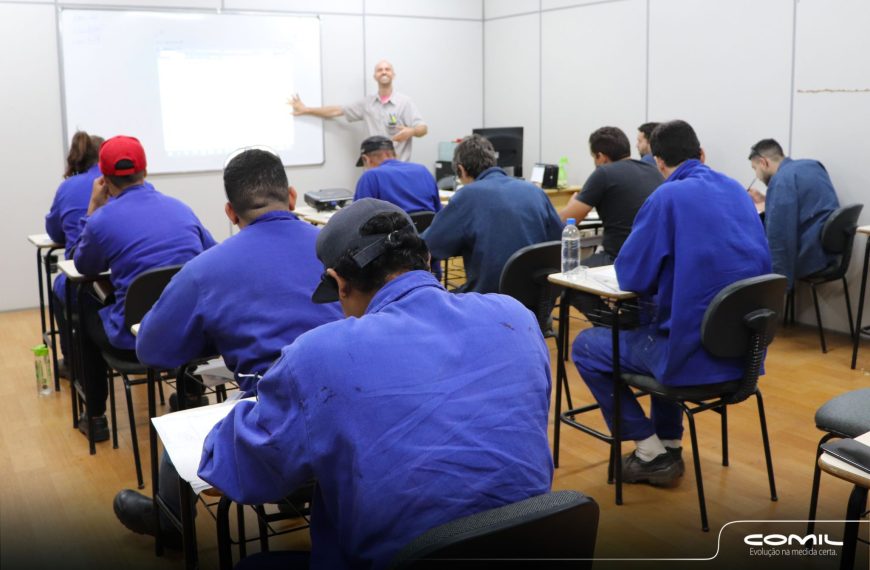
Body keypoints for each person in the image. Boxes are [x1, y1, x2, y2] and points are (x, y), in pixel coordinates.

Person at [198, 199, 554, 569]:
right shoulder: (517, 317)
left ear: (338, 283)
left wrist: (247, 405)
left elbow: (238, 472)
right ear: (428, 260)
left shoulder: (320, 353)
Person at [112, 148, 342, 546]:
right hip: (355, 421)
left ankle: (170, 520)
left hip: (276, 433)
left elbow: (151, 349)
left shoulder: (206, 269)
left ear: (230, 213)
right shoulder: (336, 248)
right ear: (291, 196)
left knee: (180, 433)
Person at [573, 120, 771, 487]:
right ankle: (669, 441)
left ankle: (649, 451)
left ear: (659, 164)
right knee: (661, 325)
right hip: (745, 356)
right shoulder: (738, 192)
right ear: (702, 154)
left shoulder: (666, 197)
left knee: (585, 346)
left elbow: (631, 277)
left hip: (688, 358)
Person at [72, 135, 216, 441]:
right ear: (146, 171)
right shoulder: (181, 209)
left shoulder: (102, 220)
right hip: (187, 334)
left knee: (82, 300)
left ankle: (95, 415)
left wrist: (94, 207)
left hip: (134, 340)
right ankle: (190, 395)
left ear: (104, 179)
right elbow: (211, 255)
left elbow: (84, 266)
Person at [422, 134, 563, 294]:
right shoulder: (535, 192)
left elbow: (426, 246)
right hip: (535, 303)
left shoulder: (467, 196)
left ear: (461, 169)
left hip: (487, 303)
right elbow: (561, 241)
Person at [559, 126, 663, 266]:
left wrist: (571, 205)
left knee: (566, 275)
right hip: (655, 260)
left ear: (600, 157)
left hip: (619, 260)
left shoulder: (604, 173)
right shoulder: (653, 170)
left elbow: (565, 222)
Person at [45, 130, 104, 371]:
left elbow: (55, 232)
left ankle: (72, 363)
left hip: (86, 280)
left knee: (61, 286)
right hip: (126, 280)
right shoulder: (125, 186)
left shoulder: (68, 188)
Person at [290, 60, 427, 162]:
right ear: (375, 76)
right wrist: (306, 109)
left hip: (398, 169)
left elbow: (423, 128)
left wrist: (412, 131)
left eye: (387, 69)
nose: (384, 72)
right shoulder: (367, 103)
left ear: (393, 75)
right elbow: (337, 110)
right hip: (374, 169)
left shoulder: (405, 102)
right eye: (380, 70)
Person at [748, 138, 840, 287]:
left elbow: (779, 237)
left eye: (755, 168)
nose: (757, 176)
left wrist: (780, 286)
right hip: (830, 252)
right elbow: (803, 205)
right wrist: (765, 199)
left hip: (812, 259)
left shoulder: (781, 180)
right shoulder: (812, 165)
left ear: (763, 163)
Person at [354, 135, 441, 214]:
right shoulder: (423, 170)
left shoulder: (371, 176)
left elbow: (359, 216)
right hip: (427, 230)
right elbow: (438, 210)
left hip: (393, 230)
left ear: (366, 159)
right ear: (395, 154)